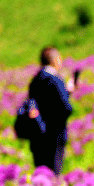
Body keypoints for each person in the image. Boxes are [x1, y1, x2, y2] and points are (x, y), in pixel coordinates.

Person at [27, 46, 77, 175]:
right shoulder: (55, 79)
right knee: (53, 174)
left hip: (37, 135)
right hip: (54, 135)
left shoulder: (35, 80)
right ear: (54, 60)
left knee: (41, 173)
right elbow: (66, 108)